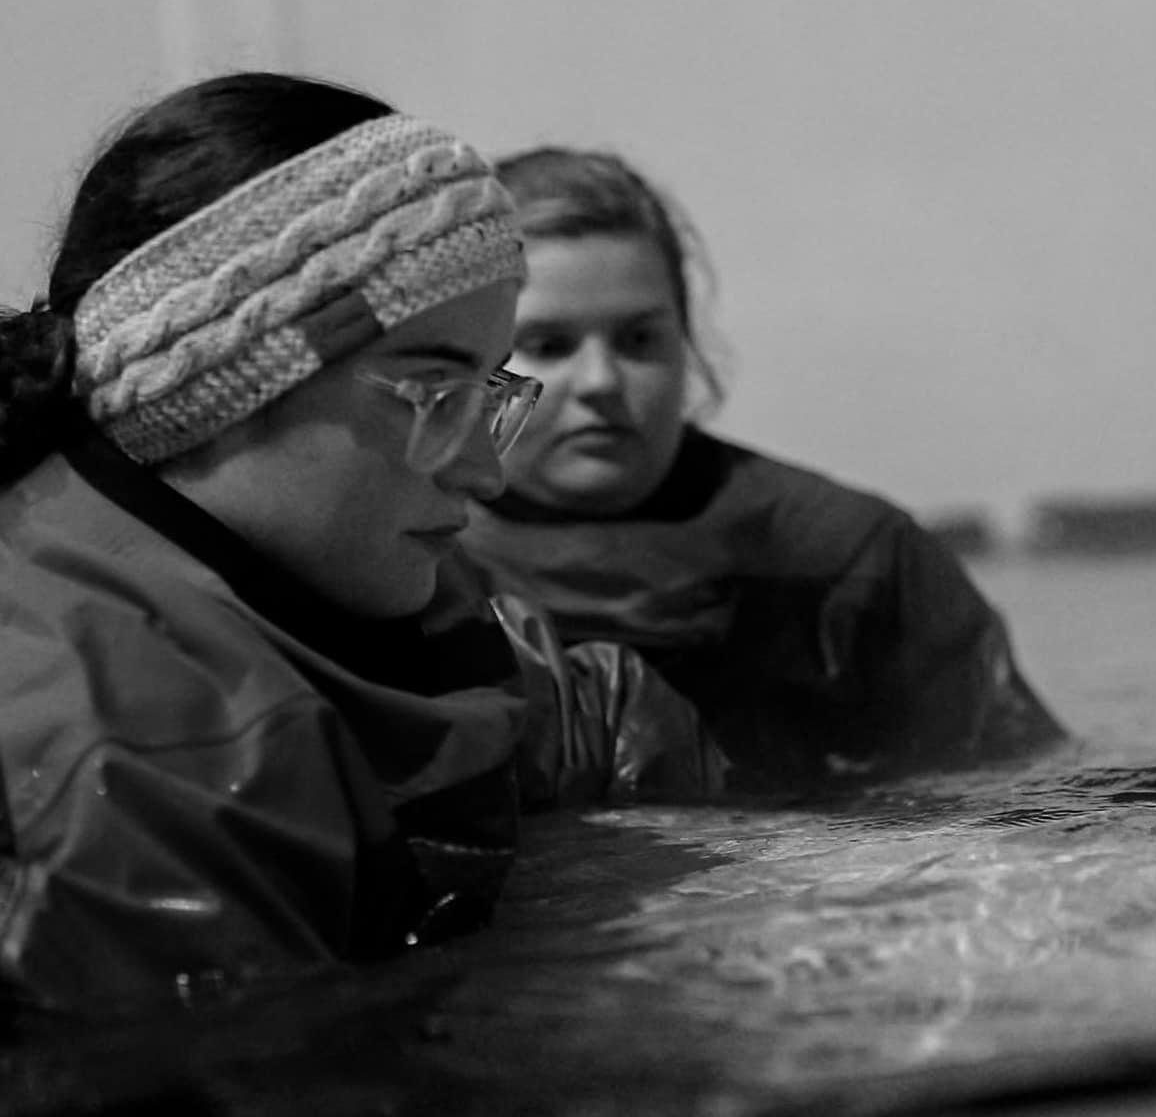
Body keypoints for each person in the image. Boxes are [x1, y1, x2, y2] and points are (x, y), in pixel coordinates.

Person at [0, 73, 711, 1012]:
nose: (484, 473)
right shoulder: (139, 762)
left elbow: (582, 718)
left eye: (487, 397)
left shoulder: (318, 571)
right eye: (431, 394)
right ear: (224, 386)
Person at [459, 148, 1069, 792]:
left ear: (689, 346)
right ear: (473, 358)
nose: (602, 381)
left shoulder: (849, 560)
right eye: (549, 345)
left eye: (640, 341)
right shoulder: (419, 560)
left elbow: (1017, 793)